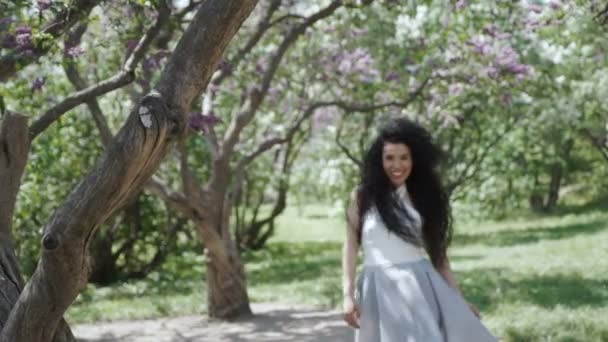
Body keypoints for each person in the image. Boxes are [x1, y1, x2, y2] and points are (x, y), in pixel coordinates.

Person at [341, 118, 497, 341]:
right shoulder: (363, 196)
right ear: (379, 160)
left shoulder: (424, 198)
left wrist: (459, 301)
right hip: (377, 289)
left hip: (419, 288)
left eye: (404, 157)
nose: (397, 165)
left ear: (415, 160)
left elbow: (440, 258)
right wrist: (347, 294)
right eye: (390, 158)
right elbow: (350, 245)